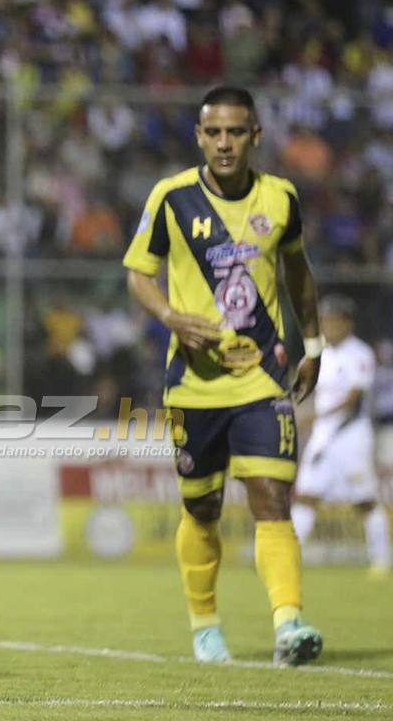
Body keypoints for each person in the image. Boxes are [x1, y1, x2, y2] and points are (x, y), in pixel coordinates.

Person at [123, 86, 325, 666]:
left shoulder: (280, 199)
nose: (224, 143)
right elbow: (138, 272)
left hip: (263, 378)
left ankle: (289, 624)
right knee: (202, 509)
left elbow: (299, 274)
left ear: (255, 135)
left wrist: (312, 345)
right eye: (213, 132)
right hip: (193, 383)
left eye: (235, 131)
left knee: (271, 498)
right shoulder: (172, 198)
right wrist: (168, 316)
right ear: (199, 137)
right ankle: (205, 625)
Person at [291, 295, 389, 577]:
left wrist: (316, 417)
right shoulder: (320, 354)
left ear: (348, 323)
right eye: (325, 321)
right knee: (306, 495)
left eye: (334, 321)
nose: (328, 326)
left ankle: (382, 560)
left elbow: (353, 400)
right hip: (323, 436)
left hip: (351, 436)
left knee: (364, 500)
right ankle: (290, 558)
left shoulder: (359, 354)